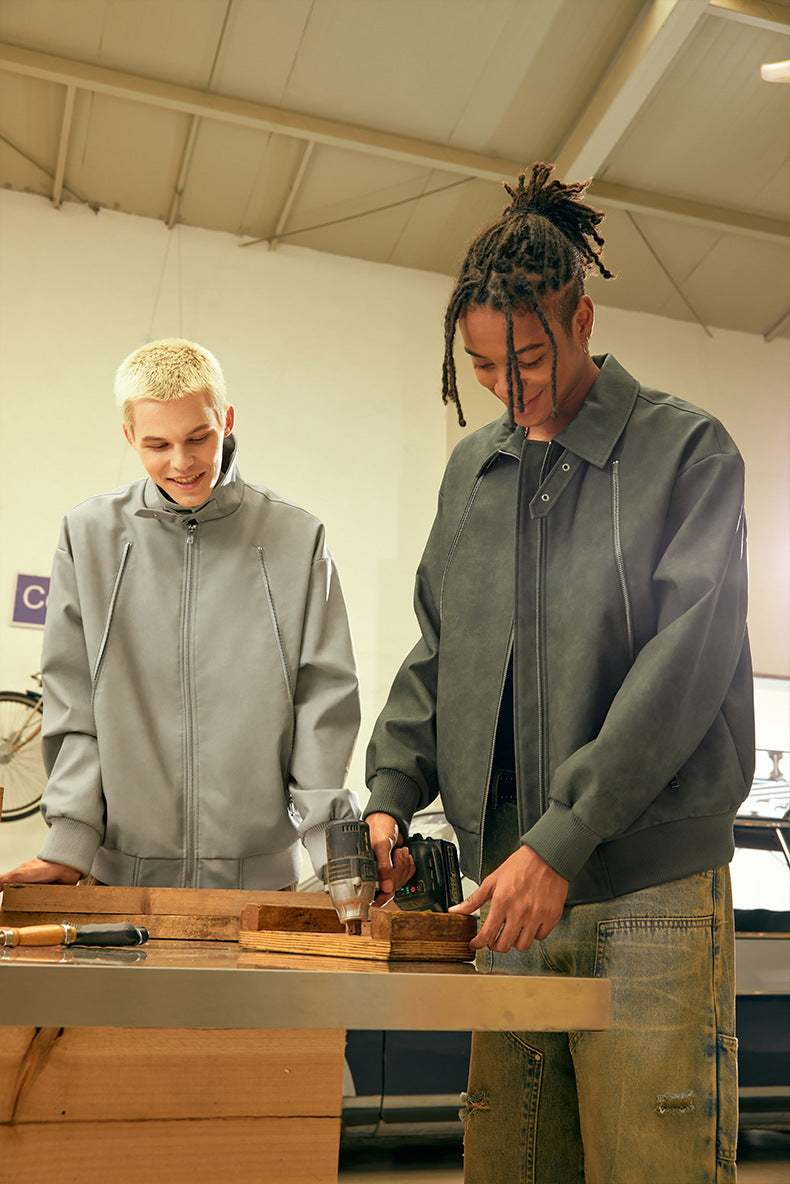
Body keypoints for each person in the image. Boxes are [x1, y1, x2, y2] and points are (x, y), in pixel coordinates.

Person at [363, 164, 754, 1183]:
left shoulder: (688, 454)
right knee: (510, 1163)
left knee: (650, 1164)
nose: (507, 388)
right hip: (510, 896)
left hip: (649, 891)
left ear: (582, 317)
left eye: (527, 358)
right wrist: (391, 796)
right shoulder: (474, 472)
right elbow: (438, 646)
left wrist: (564, 837)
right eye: (483, 366)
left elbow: (684, 667)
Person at [0, 338, 361, 891]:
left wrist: (338, 858)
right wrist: (69, 842)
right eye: (157, 444)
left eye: (199, 437)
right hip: (120, 882)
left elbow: (323, 703)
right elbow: (73, 701)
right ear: (129, 437)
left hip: (262, 885)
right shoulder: (88, 536)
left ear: (228, 419)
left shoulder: (297, 538)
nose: (182, 462)